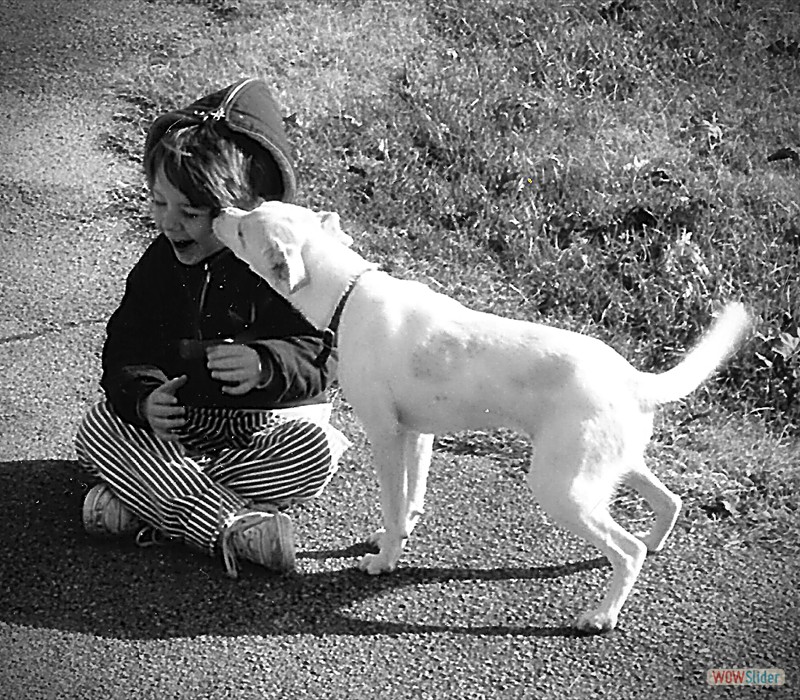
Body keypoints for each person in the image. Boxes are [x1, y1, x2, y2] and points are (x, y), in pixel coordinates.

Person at [75, 77, 349, 578]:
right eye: (159, 203)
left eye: (192, 212)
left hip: (262, 425)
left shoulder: (283, 267)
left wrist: (266, 363)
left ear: (246, 209)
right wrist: (144, 397)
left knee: (317, 451)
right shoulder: (159, 264)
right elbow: (127, 344)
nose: (170, 224)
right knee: (97, 429)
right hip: (182, 422)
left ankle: (146, 502)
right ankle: (232, 524)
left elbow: (323, 352)